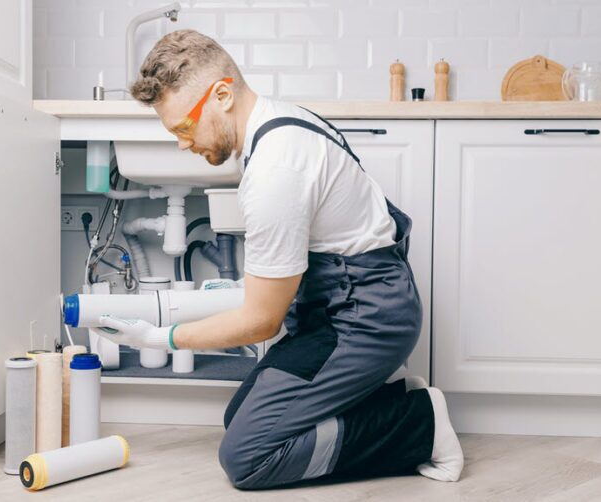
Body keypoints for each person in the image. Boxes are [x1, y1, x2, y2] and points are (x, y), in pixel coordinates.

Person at [97, 29, 464, 489]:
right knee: (239, 417)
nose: (183, 145)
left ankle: (419, 425)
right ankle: (392, 400)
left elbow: (260, 322)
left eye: (184, 128)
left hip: (365, 321)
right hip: (342, 309)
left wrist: (159, 337)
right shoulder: (279, 121)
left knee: (248, 456)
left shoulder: (276, 170)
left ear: (223, 94)